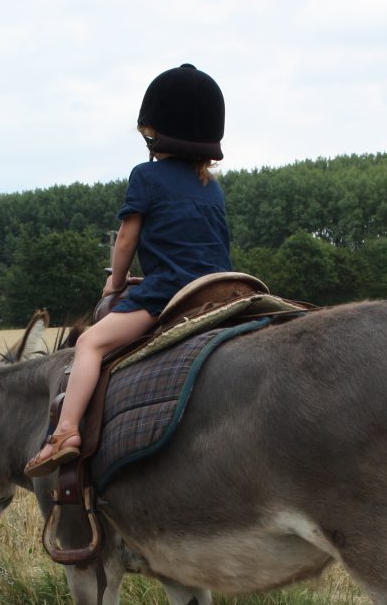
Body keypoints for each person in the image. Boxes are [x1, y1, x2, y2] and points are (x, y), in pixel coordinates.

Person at [25, 63, 233, 477]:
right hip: (222, 289)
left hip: (169, 292)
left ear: (155, 134)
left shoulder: (146, 176)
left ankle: (65, 432)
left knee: (91, 345)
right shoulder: (213, 185)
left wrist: (115, 284)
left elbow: (125, 240)